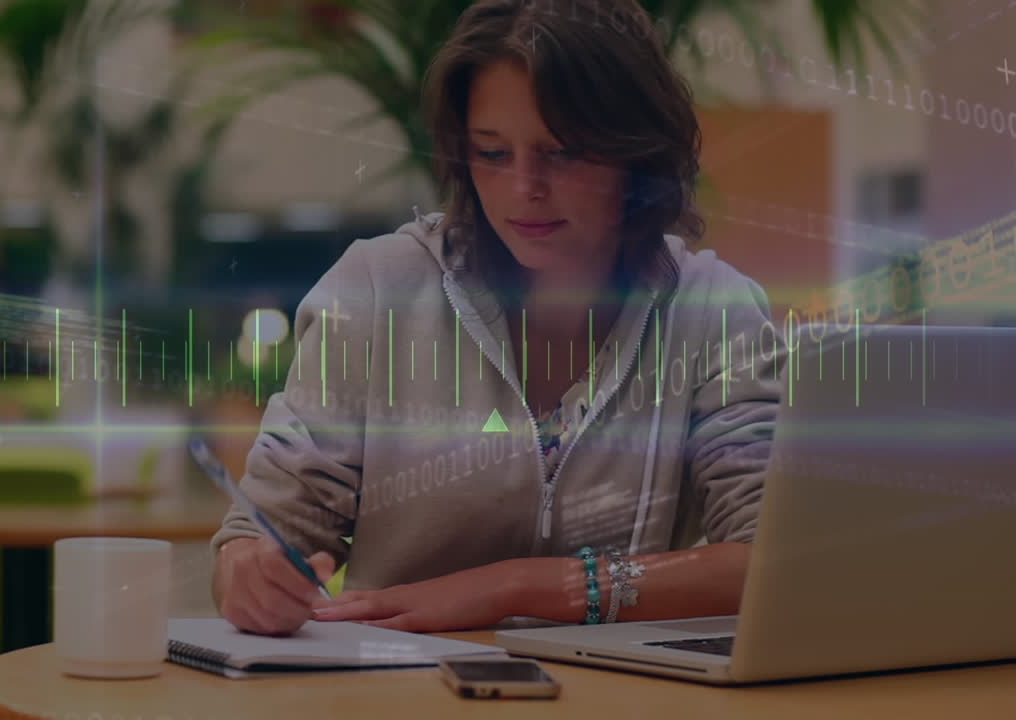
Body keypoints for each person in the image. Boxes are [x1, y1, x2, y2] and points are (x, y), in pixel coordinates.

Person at [211, 0, 785, 636]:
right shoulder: (377, 290)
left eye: (562, 153)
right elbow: (260, 536)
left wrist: (520, 587)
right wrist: (248, 573)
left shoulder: (714, 313)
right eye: (491, 152)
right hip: (393, 682)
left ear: (637, 152)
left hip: (622, 687)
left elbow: (771, 560)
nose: (523, 188)